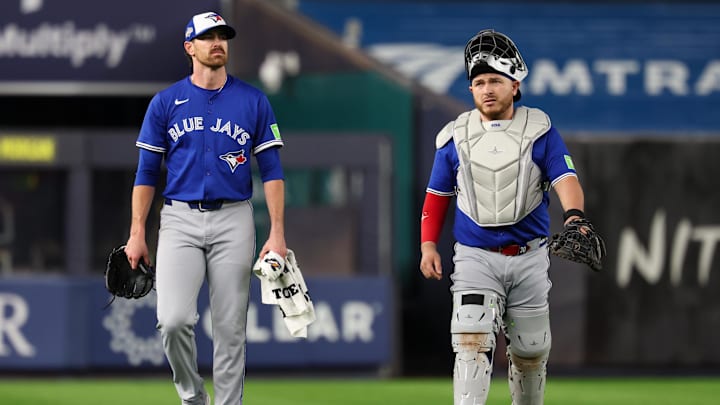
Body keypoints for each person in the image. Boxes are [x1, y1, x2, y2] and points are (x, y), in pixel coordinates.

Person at [419, 29, 595, 405]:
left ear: (515, 84)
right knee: (470, 342)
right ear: (470, 89)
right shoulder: (454, 137)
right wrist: (428, 245)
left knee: (531, 353)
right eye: (479, 82)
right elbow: (437, 196)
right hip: (475, 256)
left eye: (495, 81)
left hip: (529, 254)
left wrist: (575, 216)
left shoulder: (540, 130)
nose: (487, 89)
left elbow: (565, 177)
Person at [124, 11, 287, 405]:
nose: (217, 42)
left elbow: (272, 170)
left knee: (231, 329)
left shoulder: (253, 100)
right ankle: (193, 397)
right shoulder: (165, 103)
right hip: (179, 218)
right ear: (189, 47)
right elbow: (146, 172)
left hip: (234, 218)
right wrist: (136, 232)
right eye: (208, 36)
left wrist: (278, 233)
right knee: (173, 321)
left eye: (222, 36)